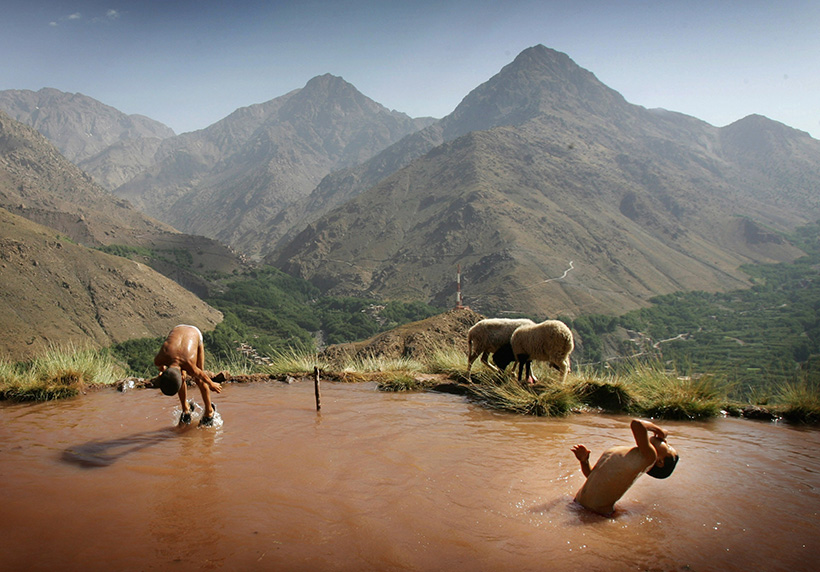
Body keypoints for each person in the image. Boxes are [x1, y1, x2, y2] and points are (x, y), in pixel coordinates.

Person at [570, 418, 679, 516]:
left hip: (598, 514)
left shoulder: (650, 457)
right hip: (578, 503)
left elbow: (637, 424)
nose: (664, 441)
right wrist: (584, 461)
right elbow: (592, 476)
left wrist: (660, 431)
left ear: (660, 461)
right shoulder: (630, 453)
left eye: (668, 446)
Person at [154, 324, 222, 426]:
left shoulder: (190, 365)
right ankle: (186, 409)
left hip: (194, 333)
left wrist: (212, 384)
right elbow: (162, 367)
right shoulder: (160, 359)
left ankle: (209, 411)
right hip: (177, 329)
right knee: (173, 377)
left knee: (199, 380)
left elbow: (201, 375)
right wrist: (163, 370)